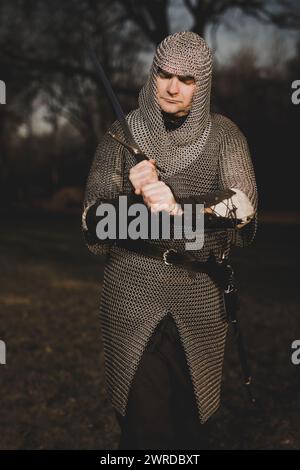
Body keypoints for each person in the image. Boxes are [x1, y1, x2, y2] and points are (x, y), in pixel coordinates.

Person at [82, 31, 258, 450]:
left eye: (187, 79)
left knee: (188, 431)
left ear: (203, 84)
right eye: (165, 74)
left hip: (200, 293)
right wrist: (135, 199)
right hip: (133, 293)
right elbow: (91, 223)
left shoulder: (223, 136)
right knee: (147, 433)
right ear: (153, 73)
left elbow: (244, 206)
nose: (173, 87)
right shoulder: (120, 135)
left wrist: (180, 205)